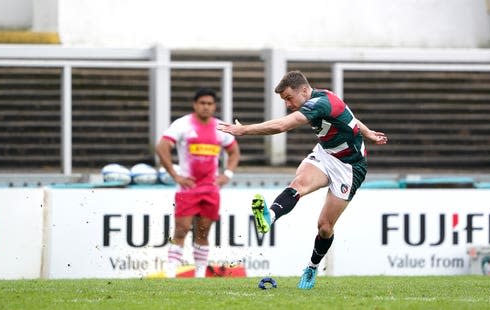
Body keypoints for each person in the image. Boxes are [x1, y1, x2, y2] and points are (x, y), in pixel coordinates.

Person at [217, 70, 387, 289]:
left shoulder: (321, 103)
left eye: (289, 98)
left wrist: (243, 130)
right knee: (298, 184)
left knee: (325, 227)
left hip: (350, 167)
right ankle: (270, 216)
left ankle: (312, 267)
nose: (288, 104)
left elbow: (282, 126)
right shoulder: (323, 98)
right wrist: (368, 132)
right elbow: (351, 118)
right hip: (326, 154)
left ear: (304, 91)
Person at [156, 87, 240, 278]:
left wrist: (227, 174)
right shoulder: (183, 125)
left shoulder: (220, 127)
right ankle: (171, 273)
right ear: (195, 105)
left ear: (214, 106)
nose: (206, 107)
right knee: (181, 230)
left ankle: (200, 275)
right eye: (202, 103)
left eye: (210, 104)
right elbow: (162, 147)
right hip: (188, 188)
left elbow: (234, 151)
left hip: (211, 189)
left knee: (203, 233)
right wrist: (175, 175)